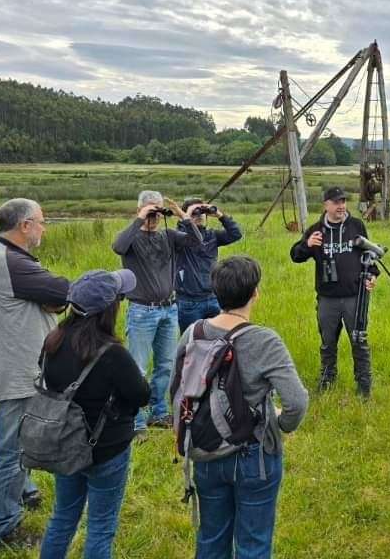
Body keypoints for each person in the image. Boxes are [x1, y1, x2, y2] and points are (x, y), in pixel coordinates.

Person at [176, 255, 308, 559]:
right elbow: (297, 402)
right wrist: (280, 424)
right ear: (255, 293)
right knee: (253, 544)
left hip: (205, 449)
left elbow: (179, 390)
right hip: (254, 454)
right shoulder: (264, 341)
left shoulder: (193, 333)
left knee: (211, 539)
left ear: (215, 292)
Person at [0, 198, 69, 551]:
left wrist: (50, 300)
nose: (44, 228)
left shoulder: (6, 258)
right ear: (24, 225)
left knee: (21, 443)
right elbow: (63, 291)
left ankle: (24, 491)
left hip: (16, 368)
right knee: (11, 450)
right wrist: (53, 299)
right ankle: (3, 527)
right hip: (16, 374)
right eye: (41, 221)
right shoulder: (11, 262)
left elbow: (53, 299)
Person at [38, 269, 150, 559]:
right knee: (101, 526)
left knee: (62, 517)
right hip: (106, 448)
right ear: (108, 310)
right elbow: (142, 395)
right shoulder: (112, 354)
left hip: (65, 442)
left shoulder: (53, 342)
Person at [112, 190, 201, 436]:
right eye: (151, 211)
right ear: (139, 210)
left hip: (169, 309)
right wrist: (140, 218)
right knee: (137, 368)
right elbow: (118, 247)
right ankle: (135, 420)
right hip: (142, 311)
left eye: (157, 211)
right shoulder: (131, 239)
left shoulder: (169, 236)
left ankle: (158, 411)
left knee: (165, 365)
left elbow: (196, 242)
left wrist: (184, 217)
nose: (155, 216)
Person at [289, 186, 378, 397]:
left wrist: (372, 276)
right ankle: (327, 380)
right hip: (327, 299)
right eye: (336, 202)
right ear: (326, 205)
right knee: (327, 343)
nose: (341, 206)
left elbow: (369, 256)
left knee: (359, 341)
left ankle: (364, 386)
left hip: (354, 297)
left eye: (343, 201)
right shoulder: (316, 230)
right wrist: (307, 245)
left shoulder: (356, 226)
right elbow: (295, 256)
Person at [175, 198, 243, 333]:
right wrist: (186, 218)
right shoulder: (179, 237)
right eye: (195, 213)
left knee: (217, 339)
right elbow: (181, 232)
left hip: (213, 298)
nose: (199, 215)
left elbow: (235, 234)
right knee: (191, 340)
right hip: (189, 302)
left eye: (202, 212)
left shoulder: (212, 236)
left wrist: (220, 215)